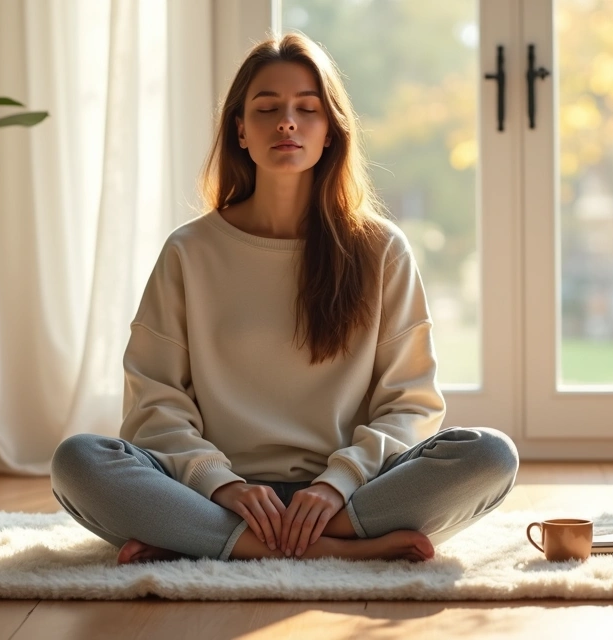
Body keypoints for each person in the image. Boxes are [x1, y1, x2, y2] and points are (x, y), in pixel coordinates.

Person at [50, 32, 519, 565]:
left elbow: (409, 403)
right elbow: (155, 403)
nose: (287, 122)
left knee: (490, 455)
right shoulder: (189, 251)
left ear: (330, 132)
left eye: (307, 109)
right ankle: (333, 551)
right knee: (79, 461)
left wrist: (336, 484)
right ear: (241, 132)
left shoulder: (381, 249)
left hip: (346, 494)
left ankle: (214, 542)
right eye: (267, 107)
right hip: (219, 496)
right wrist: (221, 485)